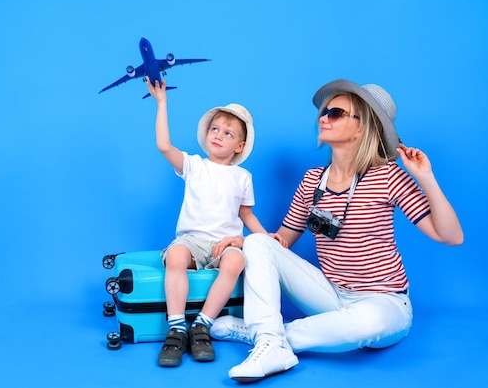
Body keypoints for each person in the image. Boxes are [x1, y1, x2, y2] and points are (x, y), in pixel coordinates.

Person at [209, 79, 464, 383]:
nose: (323, 117)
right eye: (324, 112)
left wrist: (426, 177)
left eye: (336, 113)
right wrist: (245, 241)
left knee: (367, 324)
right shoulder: (312, 180)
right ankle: (269, 338)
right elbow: (280, 242)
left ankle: (264, 335)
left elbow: (451, 236)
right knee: (257, 244)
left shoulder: (387, 176)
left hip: (383, 301)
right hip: (329, 294)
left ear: (361, 127)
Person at [146, 79, 270, 367]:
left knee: (236, 262)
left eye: (227, 133)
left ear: (239, 145)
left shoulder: (243, 177)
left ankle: (202, 325)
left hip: (223, 243)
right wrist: (162, 102)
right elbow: (163, 145)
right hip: (191, 241)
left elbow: (246, 215)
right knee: (175, 255)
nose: (218, 135)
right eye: (215, 129)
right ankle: (177, 327)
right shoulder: (194, 165)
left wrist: (266, 238)